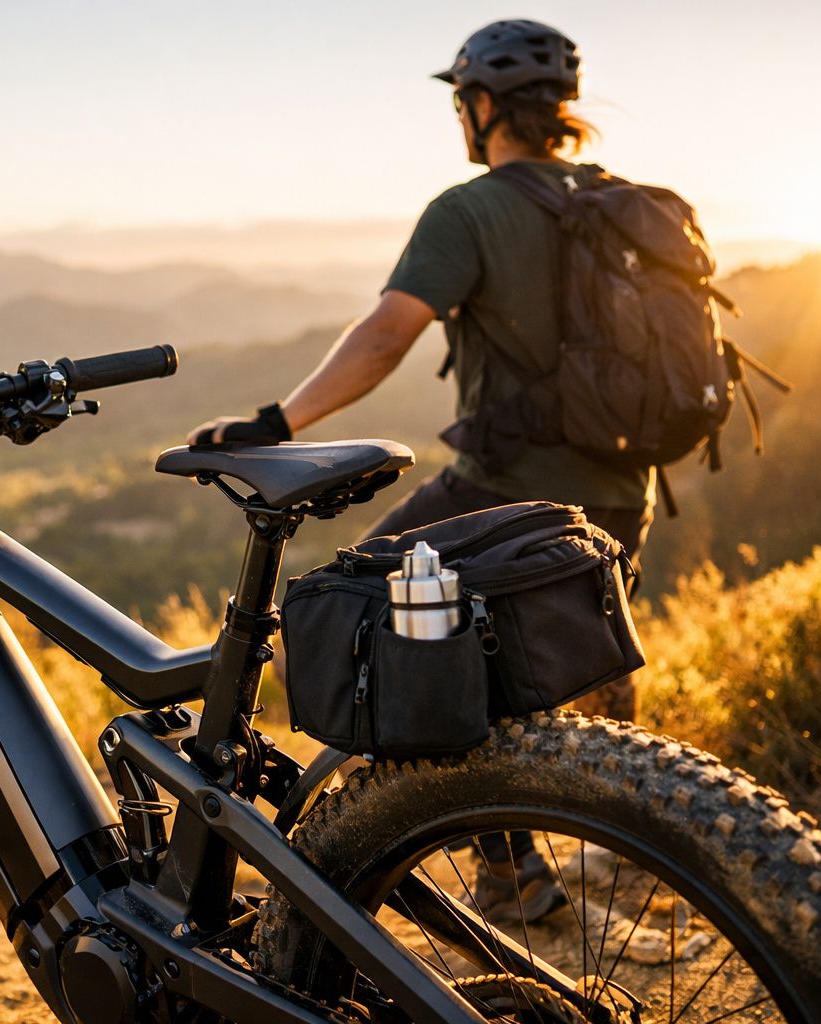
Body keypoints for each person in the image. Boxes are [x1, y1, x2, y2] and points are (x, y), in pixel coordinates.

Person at [187, 19, 652, 923]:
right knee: (565, 643)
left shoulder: (472, 208)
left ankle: (487, 867)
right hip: (620, 491)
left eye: (460, 102)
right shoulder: (618, 203)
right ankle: (627, 831)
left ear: (481, 106)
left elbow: (388, 333)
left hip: (505, 483)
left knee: (356, 609)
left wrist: (277, 421)